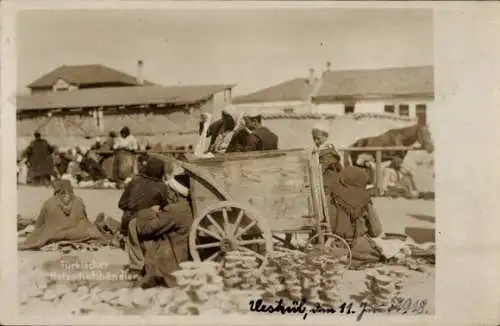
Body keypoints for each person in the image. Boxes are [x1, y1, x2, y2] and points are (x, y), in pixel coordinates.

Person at [125, 173, 193, 288]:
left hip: (173, 257)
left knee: (133, 224)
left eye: (169, 190)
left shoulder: (175, 209)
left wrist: (146, 214)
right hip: (182, 247)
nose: (167, 193)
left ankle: (137, 268)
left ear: (175, 193)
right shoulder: (186, 206)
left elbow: (146, 229)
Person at [18, 179, 106, 250]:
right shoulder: (79, 201)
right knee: (90, 228)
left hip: (55, 235)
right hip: (78, 234)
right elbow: (86, 220)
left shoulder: (49, 202)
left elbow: (39, 224)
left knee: (39, 232)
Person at [328, 166, 384, 269]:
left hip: (332, 246)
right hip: (358, 248)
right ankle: (353, 259)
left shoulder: (330, 197)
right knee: (380, 250)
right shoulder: (364, 200)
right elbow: (376, 231)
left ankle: (342, 258)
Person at [118, 156, 174, 236]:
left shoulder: (134, 181)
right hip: (143, 227)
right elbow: (167, 208)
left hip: (126, 224)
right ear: (161, 171)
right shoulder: (162, 187)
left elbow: (121, 204)